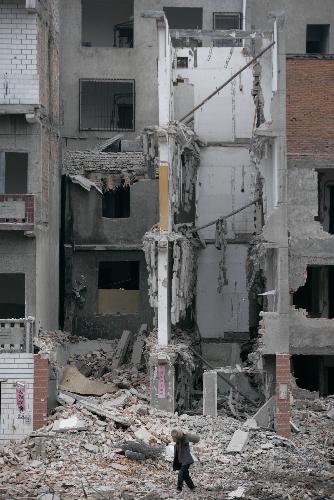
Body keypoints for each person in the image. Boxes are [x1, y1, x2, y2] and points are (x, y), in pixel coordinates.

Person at [171, 428, 200, 493]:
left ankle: (179, 489)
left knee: (180, 474)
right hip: (182, 462)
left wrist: (183, 434)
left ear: (176, 438)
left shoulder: (184, 442)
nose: (172, 438)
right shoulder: (176, 445)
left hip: (186, 461)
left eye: (173, 437)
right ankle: (192, 487)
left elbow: (185, 439)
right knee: (185, 475)